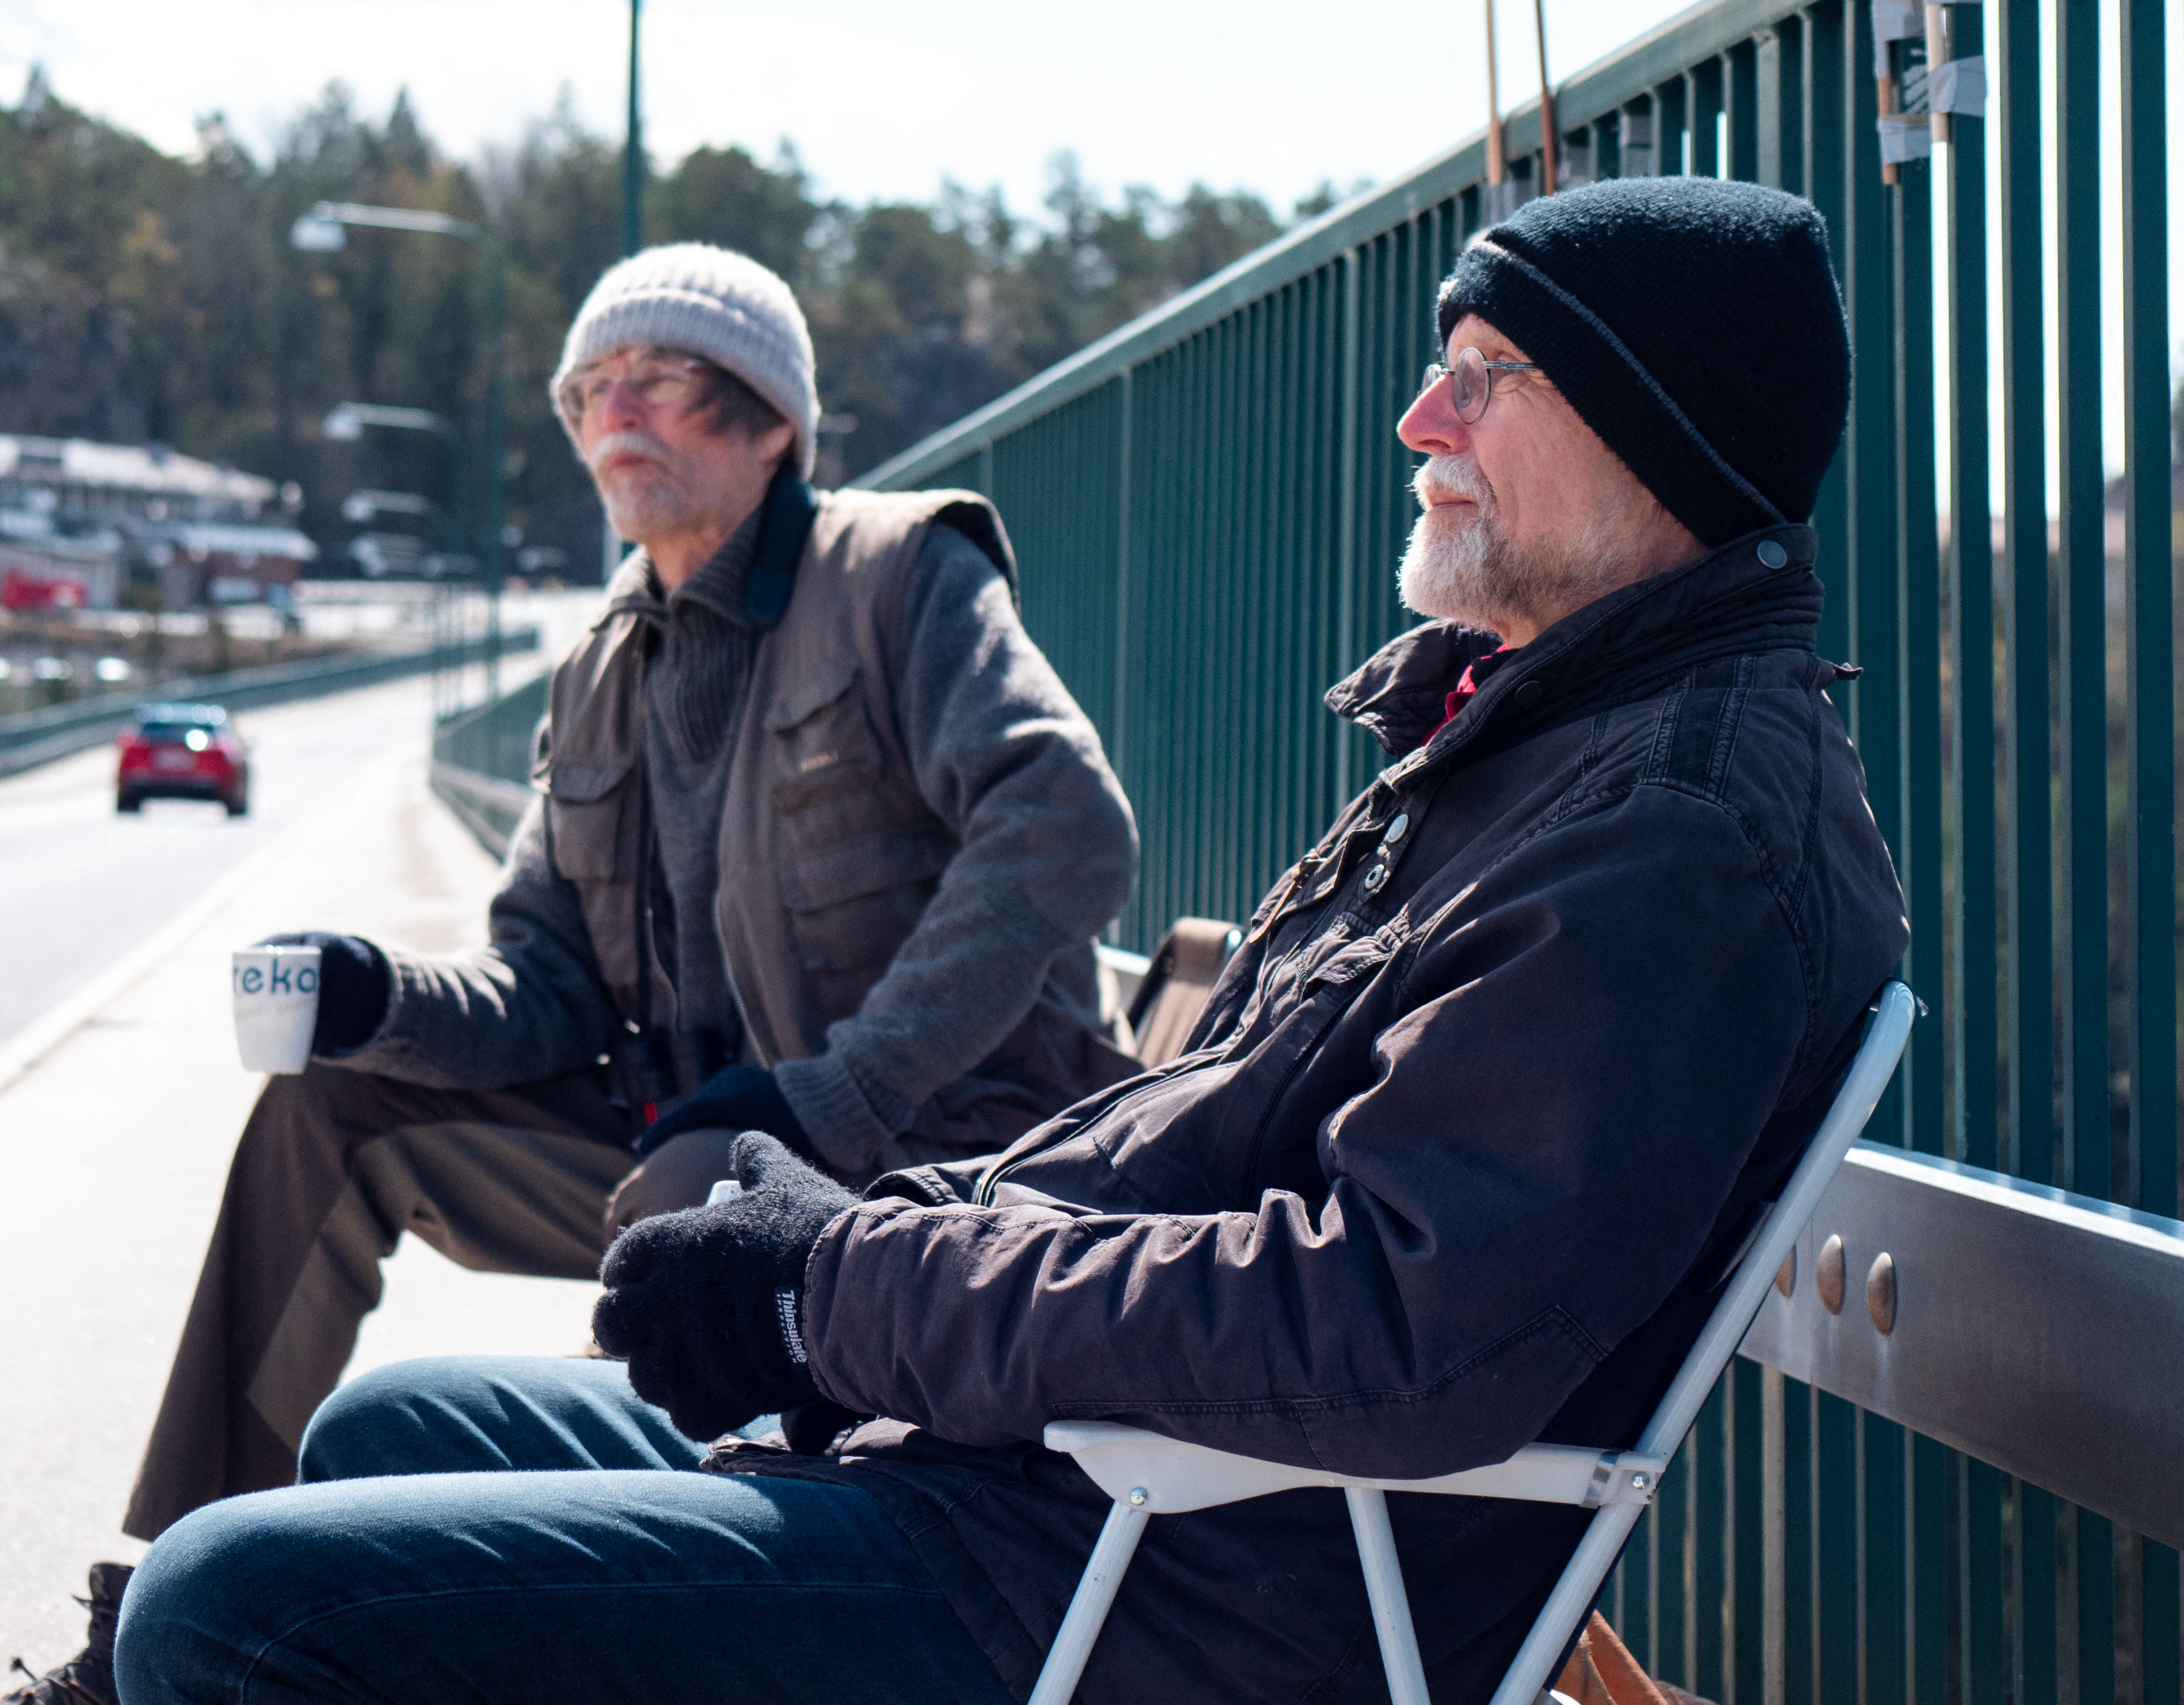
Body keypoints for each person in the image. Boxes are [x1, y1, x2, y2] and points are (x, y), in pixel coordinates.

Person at [110, 179, 1910, 1705]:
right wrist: (852, 1253)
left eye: (1477, 375)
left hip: (1149, 1581)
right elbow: (1186, 1158)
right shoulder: (1524, 753)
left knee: (236, 1612)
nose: (1417, 423)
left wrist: (837, 1280)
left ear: (1649, 419)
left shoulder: (1668, 835)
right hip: (1040, 1475)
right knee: (386, 1431)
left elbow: (1392, 1319)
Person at [11, 242, 1139, 1705]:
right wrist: (374, 999)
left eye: (662, 382)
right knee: (327, 1103)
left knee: (698, 1178)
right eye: (592, 388)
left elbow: (1066, 828)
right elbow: (540, 989)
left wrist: (833, 1097)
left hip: (923, 1156)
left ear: (770, 418)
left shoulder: (896, 575)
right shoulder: (599, 662)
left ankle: (596, 1578)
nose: (618, 413)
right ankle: (160, 1603)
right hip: (675, 1142)